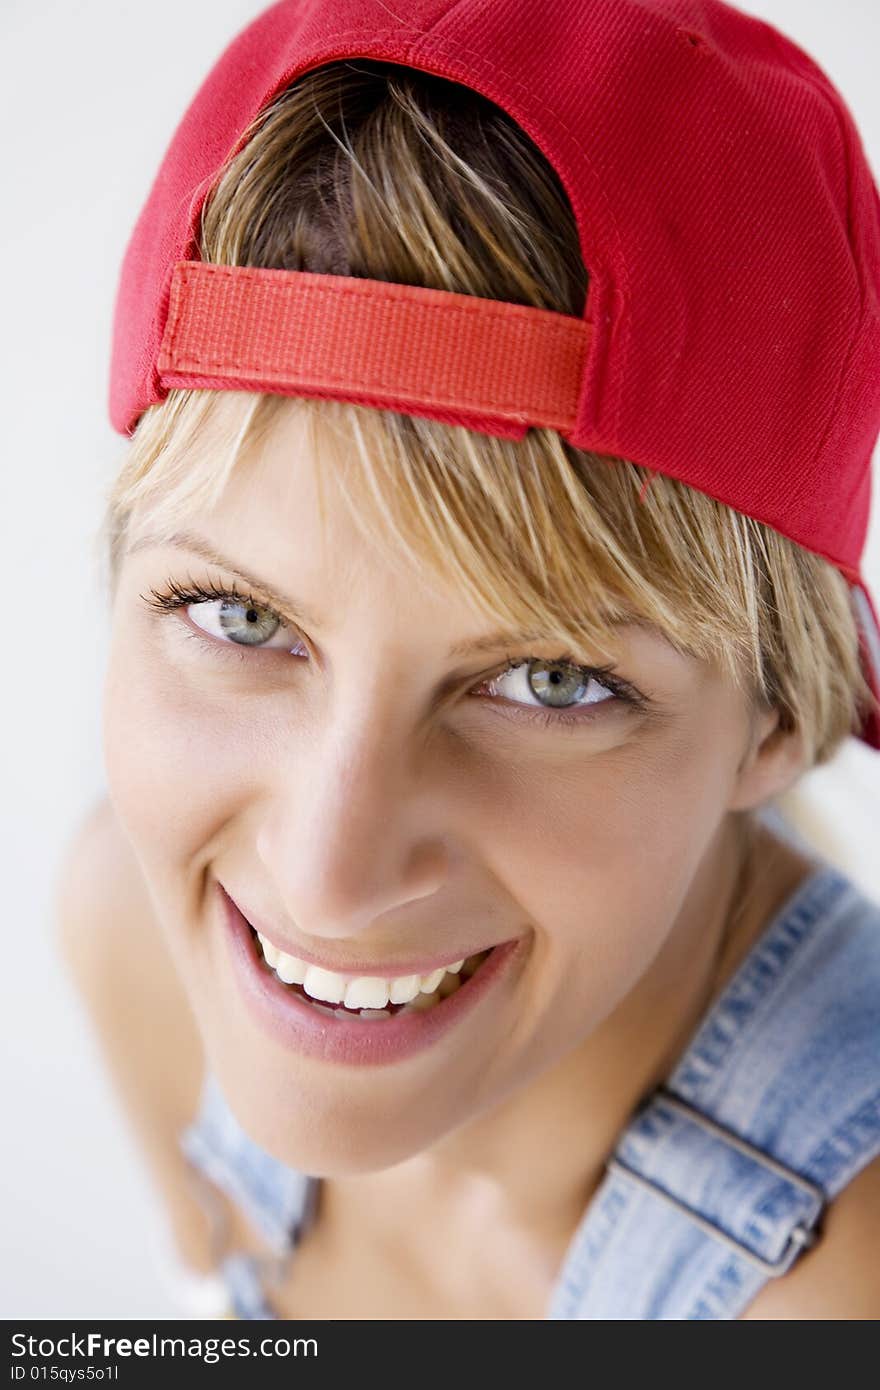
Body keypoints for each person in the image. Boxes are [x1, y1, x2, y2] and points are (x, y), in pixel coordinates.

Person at [56, 0, 880, 1320]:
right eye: (242, 618)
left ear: (782, 717)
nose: (326, 874)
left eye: (550, 681)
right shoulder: (132, 938)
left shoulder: (837, 1285)